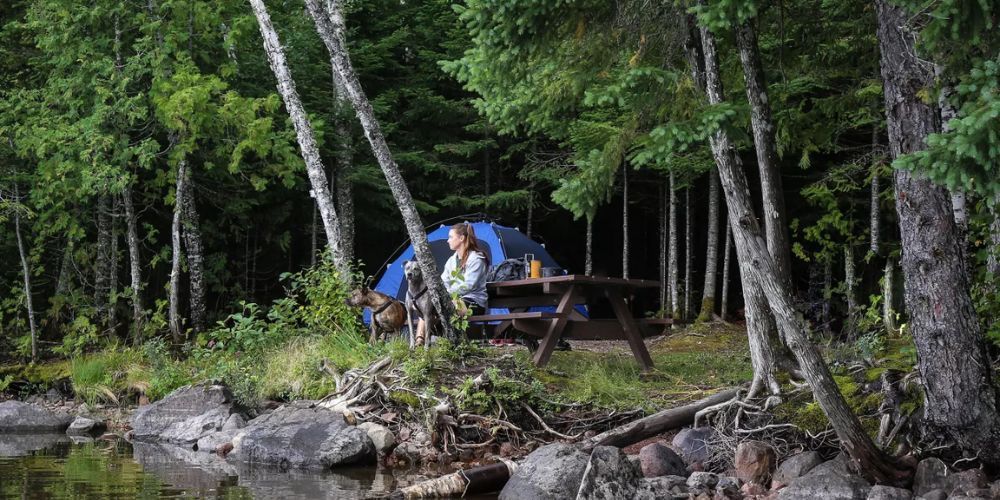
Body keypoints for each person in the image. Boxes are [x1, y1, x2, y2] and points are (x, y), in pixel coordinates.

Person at [413, 222, 489, 343]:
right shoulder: (451, 260)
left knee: (443, 307)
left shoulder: (476, 259)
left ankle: (439, 340)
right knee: (427, 306)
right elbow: (443, 282)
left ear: (461, 238)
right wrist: (441, 294)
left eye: (450, 237)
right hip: (453, 299)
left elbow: (468, 286)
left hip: (473, 302)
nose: (448, 241)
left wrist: (445, 294)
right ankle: (419, 341)